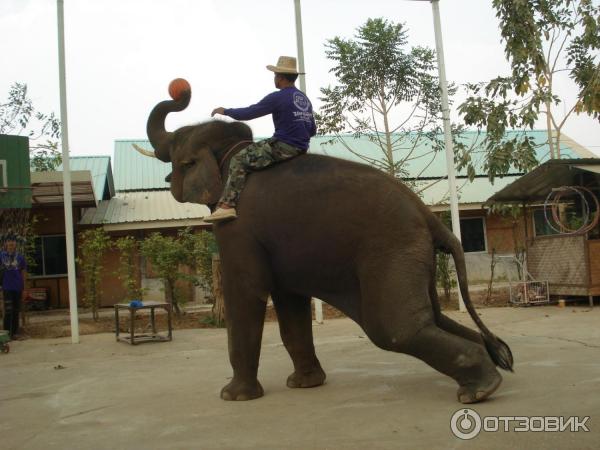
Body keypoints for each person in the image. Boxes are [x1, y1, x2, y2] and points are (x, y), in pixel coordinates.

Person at [207, 55, 317, 223]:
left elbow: (250, 113)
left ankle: (227, 206)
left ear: (280, 77)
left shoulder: (278, 97)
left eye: (275, 75)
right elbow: (312, 130)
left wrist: (226, 111)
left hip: (283, 146)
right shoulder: (305, 99)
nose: (274, 78)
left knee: (238, 159)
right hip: (302, 148)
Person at [1, 237, 26, 338]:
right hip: (6, 287)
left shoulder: (20, 257)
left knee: (16, 311)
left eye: (13, 243)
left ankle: (15, 333)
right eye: (9, 243)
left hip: (17, 287)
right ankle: (7, 334)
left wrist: (24, 288)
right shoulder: (1, 255)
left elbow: (24, 272)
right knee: (8, 311)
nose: (11, 244)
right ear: (6, 244)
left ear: (15, 245)